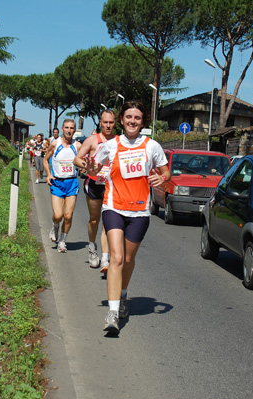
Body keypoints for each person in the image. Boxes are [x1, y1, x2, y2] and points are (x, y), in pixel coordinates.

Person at [86, 100, 170, 336]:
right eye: (129, 117)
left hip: (140, 211)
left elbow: (166, 172)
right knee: (117, 258)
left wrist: (162, 179)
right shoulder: (111, 145)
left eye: (138, 118)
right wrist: (91, 168)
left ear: (143, 122)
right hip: (113, 207)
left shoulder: (152, 146)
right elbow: (93, 171)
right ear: (121, 120)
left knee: (129, 259)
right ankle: (112, 313)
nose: (132, 121)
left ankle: (123, 296)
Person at [73, 110, 116, 271]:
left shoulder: (119, 141)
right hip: (94, 184)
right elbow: (76, 159)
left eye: (111, 122)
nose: (108, 125)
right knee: (94, 220)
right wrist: (88, 167)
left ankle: (105, 258)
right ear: (100, 123)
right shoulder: (92, 140)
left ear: (115, 123)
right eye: (105, 122)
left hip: (111, 186)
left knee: (108, 222)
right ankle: (92, 248)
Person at [43, 119, 82, 253]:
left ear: (74, 130)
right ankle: (55, 226)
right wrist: (48, 174)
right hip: (57, 183)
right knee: (58, 215)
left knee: (68, 215)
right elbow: (45, 159)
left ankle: (62, 241)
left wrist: (84, 167)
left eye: (72, 128)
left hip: (72, 183)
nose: (69, 130)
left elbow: (84, 160)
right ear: (62, 129)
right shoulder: (55, 144)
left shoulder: (78, 146)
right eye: (66, 127)